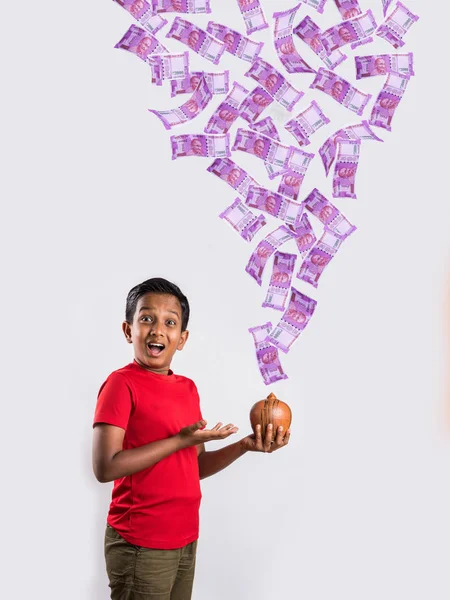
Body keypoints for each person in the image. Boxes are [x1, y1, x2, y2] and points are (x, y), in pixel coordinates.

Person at [92, 278, 290, 600]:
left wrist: (244, 445)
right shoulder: (120, 385)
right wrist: (178, 441)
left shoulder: (187, 388)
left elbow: (194, 465)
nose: (158, 330)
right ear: (129, 330)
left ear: (181, 338)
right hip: (141, 543)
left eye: (170, 322)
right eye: (146, 318)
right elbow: (105, 468)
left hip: (185, 539)